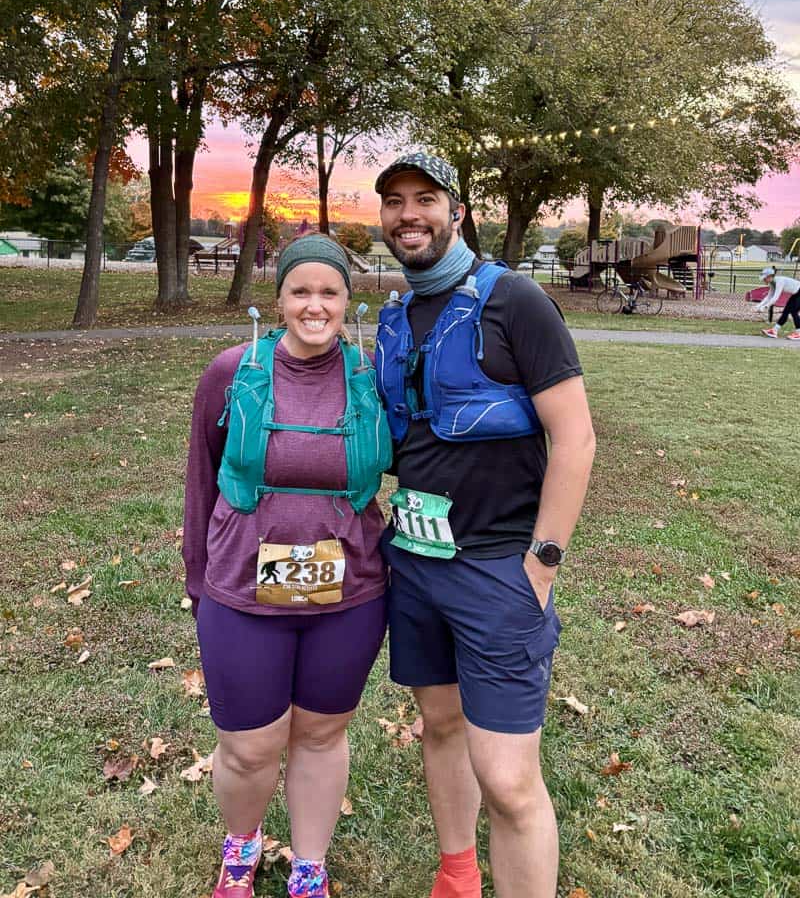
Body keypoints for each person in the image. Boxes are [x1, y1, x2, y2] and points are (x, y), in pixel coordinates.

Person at [374, 152, 596, 898]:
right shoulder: (394, 317)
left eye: (425, 199)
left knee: (507, 779)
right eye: (395, 201)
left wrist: (542, 564)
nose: (409, 214)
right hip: (413, 558)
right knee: (440, 725)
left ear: (457, 212)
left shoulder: (516, 302)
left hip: (500, 568)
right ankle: (459, 876)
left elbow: (576, 437)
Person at [183, 234, 392, 898]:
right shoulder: (231, 371)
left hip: (349, 592)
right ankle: (240, 849)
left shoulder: (370, 376)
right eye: (300, 290)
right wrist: (197, 576)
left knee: (322, 735)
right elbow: (201, 478)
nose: (314, 305)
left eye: (329, 292)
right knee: (249, 745)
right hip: (243, 588)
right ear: (278, 300)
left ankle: (309, 865)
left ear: (347, 301)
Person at [756, 265, 800, 339]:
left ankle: (799, 333)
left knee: (794, 312)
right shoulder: (772, 283)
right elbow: (769, 296)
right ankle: (774, 331)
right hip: (796, 294)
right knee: (785, 312)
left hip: (799, 292)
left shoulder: (779, 281)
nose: (764, 280)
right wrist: (759, 305)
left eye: (765, 278)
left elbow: (775, 297)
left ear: (770, 276)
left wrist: (765, 306)